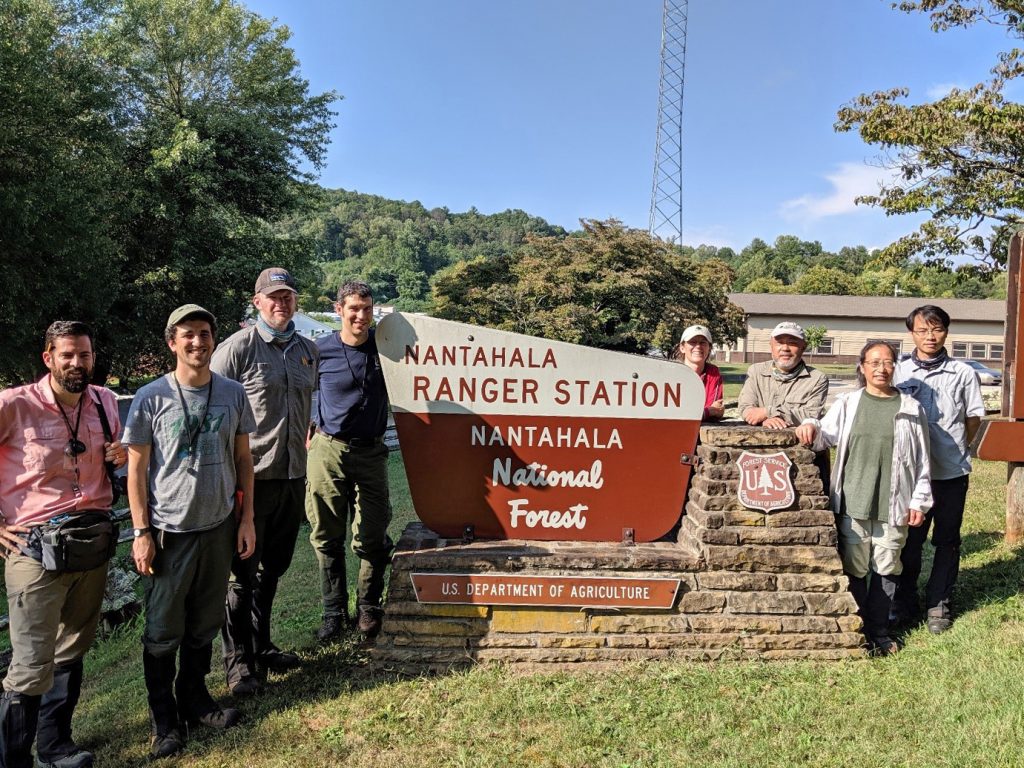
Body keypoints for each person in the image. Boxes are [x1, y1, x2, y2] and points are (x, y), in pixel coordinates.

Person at [123, 305, 256, 758]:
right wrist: (140, 530)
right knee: (162, 630)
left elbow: (244, 461)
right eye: (188, 335)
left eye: (204, 333)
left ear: (214, 339)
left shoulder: (233, 393)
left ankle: (196, 701)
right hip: (168, 532)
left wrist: (247, 519)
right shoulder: (150, 397)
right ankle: (165, 722)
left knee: (204, 623)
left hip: (218, 527)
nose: (197, 342)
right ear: (172, 342)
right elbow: (136, 472)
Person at [0, 321, 125, 768]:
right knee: (32, 662)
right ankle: (14, 760)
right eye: (68, 355)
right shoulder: (13, 405)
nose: (78, 363)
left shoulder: (106, 403)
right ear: (48, 358)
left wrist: (122, 455)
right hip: (35, 550)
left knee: (72, 648)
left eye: (85, 355)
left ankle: (56, 747)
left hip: (91, 545)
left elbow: (119, 459)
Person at [211, 268, 318, 697]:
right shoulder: (237, 349)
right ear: (257, 302)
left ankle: (261, 645)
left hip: (293, 476)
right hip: (250, 481)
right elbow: (211, 408)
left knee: (273, 568)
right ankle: (238, 665)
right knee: (241, 574)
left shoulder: (308, 350)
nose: (281, 303)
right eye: (273, 297)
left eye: (288, 296)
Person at [796, 341, 931, 655]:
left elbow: (924, 459)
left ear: (894, 367)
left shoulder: (911, 408)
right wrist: (809, 425)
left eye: (887, 362)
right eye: (874, 362)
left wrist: (919, 501)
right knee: (856, 567)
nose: (881, 368)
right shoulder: (848, 403)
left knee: (886, 567)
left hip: (893, 503)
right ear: (862, 367)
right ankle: (857, 629)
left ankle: (879, 632)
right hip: (854, 499)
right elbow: (823, 435)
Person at [306, 281, 393, 642]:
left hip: (371, 451)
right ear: (339, 309)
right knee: (326, 534)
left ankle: (369, 606)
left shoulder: (386, 349)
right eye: (354, 308)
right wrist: (307, 429)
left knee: (372, 532)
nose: (361, 315)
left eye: (367, 309)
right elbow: (299, 393)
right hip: (329, 449)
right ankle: (333, 611)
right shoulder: (319, 350)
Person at [892, 305, 985, 634]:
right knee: (909, 541)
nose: (930, 336)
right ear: (911, 333)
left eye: (937, 329)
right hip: (909, 475)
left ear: (946, 331)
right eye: (922, 330)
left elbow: (973, 418)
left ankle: (939, 603)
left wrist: (958, 447)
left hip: (950, 472)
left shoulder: (962, 373)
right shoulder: (898, 371)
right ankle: (904, 602)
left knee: (946, 541)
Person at [738, 321, 828, 429]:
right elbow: (746, 409)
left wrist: (768, 412)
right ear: (771, 346)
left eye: (792, 343)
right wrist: (765, 420)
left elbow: (812, 414)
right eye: (779, 342)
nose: (785, 348)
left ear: (803, 347)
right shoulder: (755, 371)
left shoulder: (817, 379)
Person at [674, 325, 724, 420]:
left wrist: (707, 412)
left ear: (709, 348)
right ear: (682, 348)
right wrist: (707, 412)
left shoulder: (713, 373)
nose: (698, 346)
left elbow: (716, 409)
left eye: (703, 343)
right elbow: (674, 414)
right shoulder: (673, 372)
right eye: (692, 342)